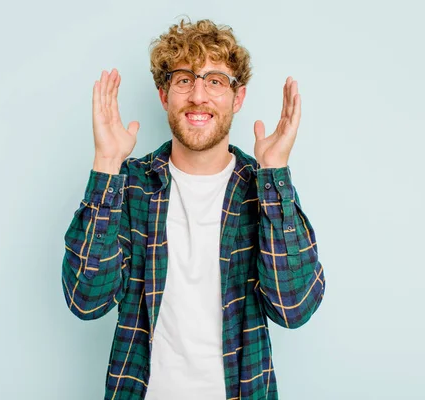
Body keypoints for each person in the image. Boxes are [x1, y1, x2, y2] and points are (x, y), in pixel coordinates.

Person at [62, 18, 325, 400]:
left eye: (215, 80)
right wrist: (106, 164)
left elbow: (294, 308)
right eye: (184, 79)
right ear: (164, 95)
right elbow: (86, 300)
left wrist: (276, 176)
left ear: (238, 98)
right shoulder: (130, 184)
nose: (199, 95)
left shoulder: (262, 188)